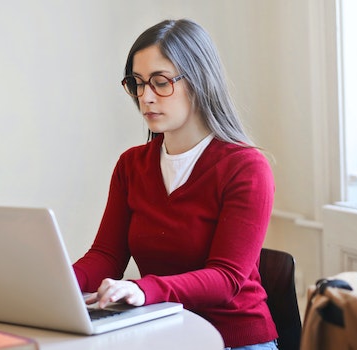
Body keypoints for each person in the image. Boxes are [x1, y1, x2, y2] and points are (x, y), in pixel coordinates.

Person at [72, 18, 278, 350]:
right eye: (137, 83)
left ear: (199, 81)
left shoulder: (245, 167)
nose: (146, 97)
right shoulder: (131, 165)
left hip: (234, 339)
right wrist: (61, 282)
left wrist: (143, 289)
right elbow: (106, 255)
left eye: (160, 82)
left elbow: (226, 278)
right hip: (162, 332)